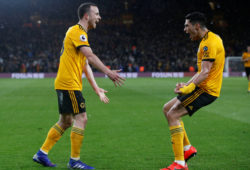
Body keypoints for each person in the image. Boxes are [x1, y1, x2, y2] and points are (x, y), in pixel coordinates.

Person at [33, 2, 125, 169]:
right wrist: (108, 72)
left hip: (65, 83)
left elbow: (86, 66)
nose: (99, 17)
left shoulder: (79, 34)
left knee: (66, 121)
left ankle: (41, 153)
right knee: (81, 118)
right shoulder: (77, 32)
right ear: (86, 16)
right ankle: (74, 161)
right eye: (96, 14)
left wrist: (97, 89)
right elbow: (90, 56)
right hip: (69, 84)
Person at [160, 12, 225, 170]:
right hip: (202, 87)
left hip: (206, 90)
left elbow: (205, 73)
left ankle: (180, 163)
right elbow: (200, 71)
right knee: (167, 108)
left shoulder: (209, 43)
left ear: (197, 26)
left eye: (186, 25)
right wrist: (186, 85)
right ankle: (187, 148)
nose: (184, 29)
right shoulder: (207, 40)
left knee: (173, 114)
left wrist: (189, 88)